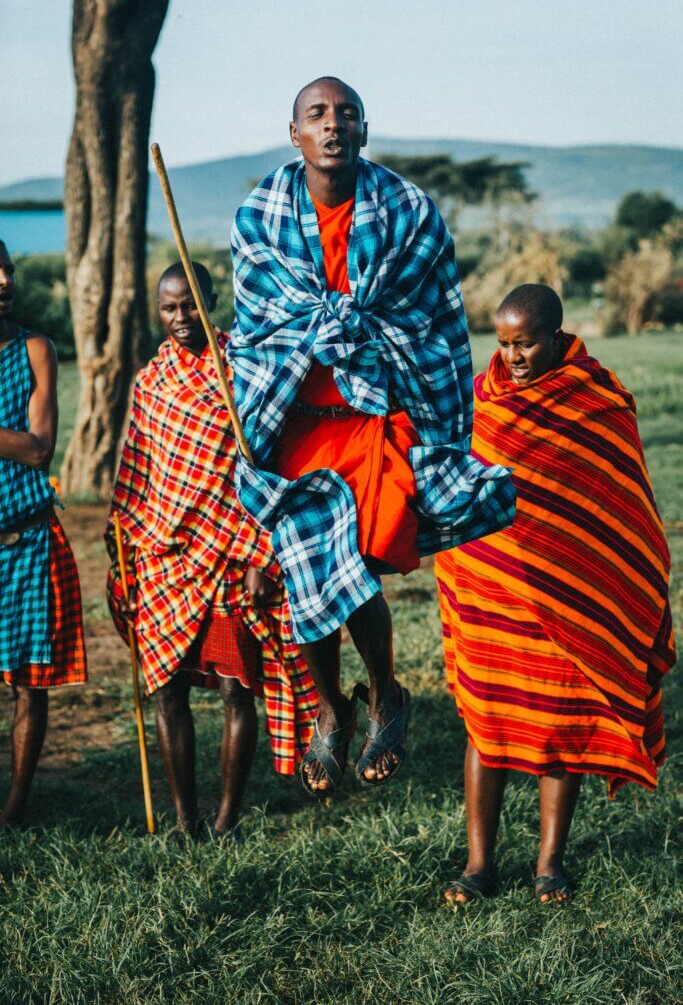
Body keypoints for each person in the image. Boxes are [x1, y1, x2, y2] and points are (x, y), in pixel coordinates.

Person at [229, 77, 515, 797]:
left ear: (363, 130)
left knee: (350, 562)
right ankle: (332, 709)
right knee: (308, 570)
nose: (333, 125)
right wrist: (316, 333)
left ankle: (384, 690)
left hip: (370, 420)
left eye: (345, 114)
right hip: (294, 422)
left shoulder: (407, 212)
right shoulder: (259, 216)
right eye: (317, 115)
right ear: (293, 132)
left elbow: (434, 323)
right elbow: (260, 327)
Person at [435, 283, 676, 904]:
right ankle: (479, 864)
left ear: (558, 335)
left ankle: (549, 863)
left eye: (527, 343)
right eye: (505, 343)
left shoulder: (594, 400)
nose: (513, 356)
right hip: (491, 590)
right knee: (486, 725)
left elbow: (619, 506)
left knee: (559, 725)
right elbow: (459, 489)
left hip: (568, 601)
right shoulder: (481, 400)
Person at [106, 262, 317, 839]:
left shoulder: (240, 372)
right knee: (167, 689)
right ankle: (184, 818)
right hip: (162, 554)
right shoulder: (151, 382)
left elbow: (271, 463)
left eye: (190, 306)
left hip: (231, 551)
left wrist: (260, 555)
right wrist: (123, 549)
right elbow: (137, 471)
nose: (180, 319)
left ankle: (226, 817)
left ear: (212, 301)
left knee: (234, 687)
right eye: (169, 308)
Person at [0, 239, 87, 827]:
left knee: (29, 686)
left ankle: (14, 810)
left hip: (28, 539)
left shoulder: (36, 349)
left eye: (4, 267)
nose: (2, 279)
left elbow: (38, 449)